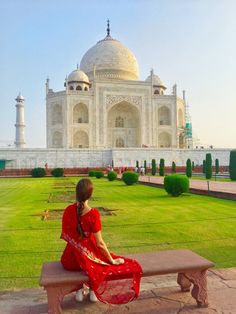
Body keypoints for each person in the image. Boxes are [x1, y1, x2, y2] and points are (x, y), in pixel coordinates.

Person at [60, 178, 142, 304]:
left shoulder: (68, 210)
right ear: (90, 195)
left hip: (69, 260)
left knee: (84, 260)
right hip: (87, 259)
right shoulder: (93, 214)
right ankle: (93, 290)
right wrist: (111, 260)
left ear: (76, 193)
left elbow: (69, 235)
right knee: (99, 262)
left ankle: (79, 289)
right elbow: (100, 244)